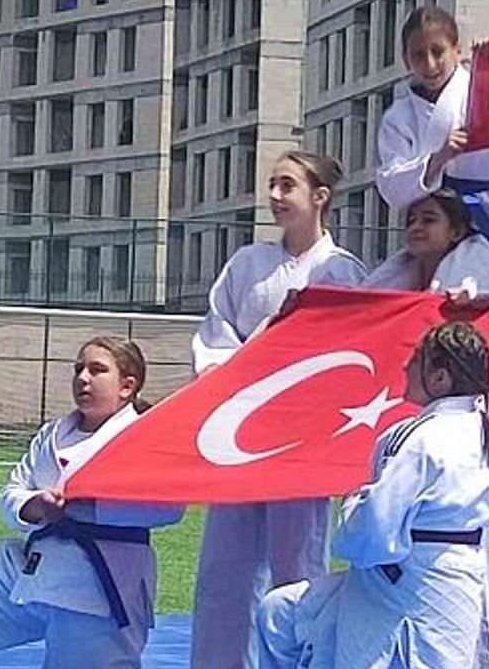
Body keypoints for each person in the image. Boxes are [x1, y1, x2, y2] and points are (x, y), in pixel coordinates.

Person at [0, 337, 184, 669]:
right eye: (78, 369)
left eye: (97, 370)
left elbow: (169, 506)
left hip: (98, 583)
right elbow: (11, 491)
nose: (83, 378)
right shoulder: (53, 433)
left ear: (127, 386)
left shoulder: (145, 437)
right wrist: (34, 506)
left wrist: (87, 505)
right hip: (33, 567)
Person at [190, 151, 366, 669]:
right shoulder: (247, 263)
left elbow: (354, 356)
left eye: (287, 185)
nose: (274, 195)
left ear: (320, 197)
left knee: (299, 570)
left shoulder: (343, 271)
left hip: (303, 440)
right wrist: (233, 373)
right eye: (272, 184)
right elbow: (216, 333)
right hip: (238, 432)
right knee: (225, 569)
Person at [255, 322, 489, 669]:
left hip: (398, 582)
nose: (406, 367)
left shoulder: (421, 438)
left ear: (440, 378)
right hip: (456, 580)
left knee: (292, 622)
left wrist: (351, 506)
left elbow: (375, 530)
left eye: (416, 360)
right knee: (281, 612)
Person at [376, 5, 489, 280]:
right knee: (380, 289)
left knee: (462, 288)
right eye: (418, 55)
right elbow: (391, 187)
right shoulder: (398, 117)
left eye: (438, 52)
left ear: (457, 51)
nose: (430, 64)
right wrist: (438, 158)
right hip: (433, 225)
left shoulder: (485, 90)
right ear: (406, 60)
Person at [362, 190, 489, 295]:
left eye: (429, 220)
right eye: (411, 221)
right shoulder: (385, 286)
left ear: (456, 232)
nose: (415, 227)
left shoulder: (473, 294)